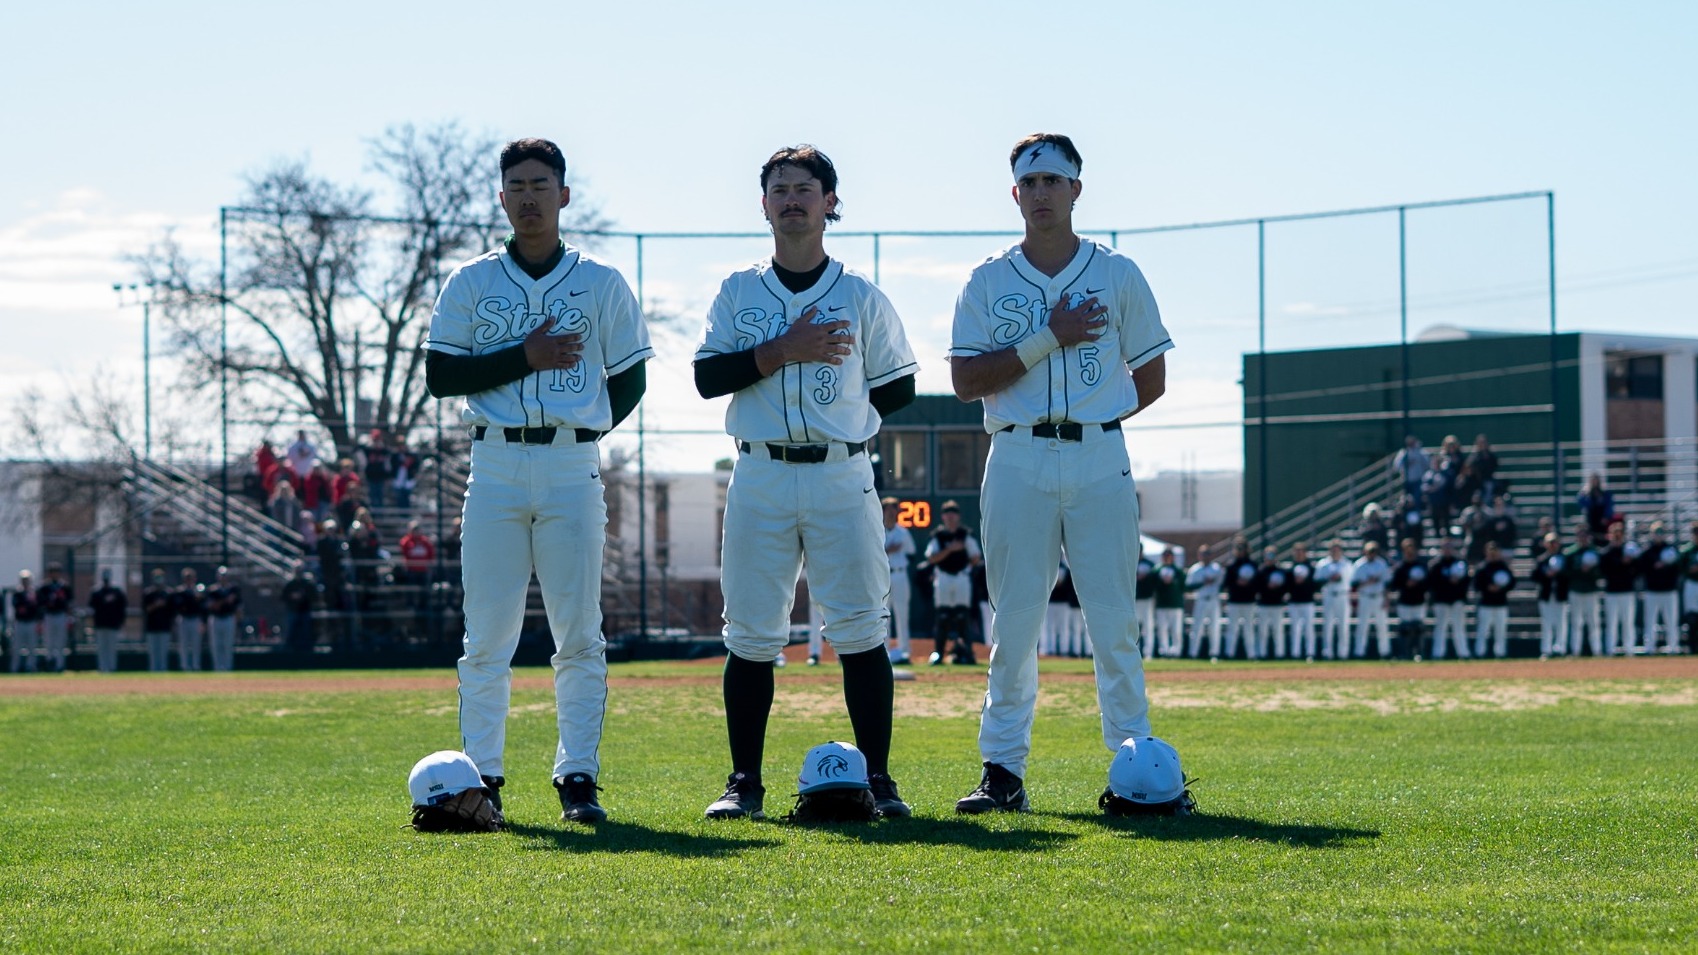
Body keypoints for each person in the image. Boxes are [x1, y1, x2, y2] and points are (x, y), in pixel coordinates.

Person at [424, 137, 653, 825]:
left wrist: (582, 430)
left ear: (564, 195)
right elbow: (441, 376)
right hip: (494, 464)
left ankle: (577, 776)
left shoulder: (601, 281)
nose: (529, 196)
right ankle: (482, 779)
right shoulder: (470, 280)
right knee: (485, 639)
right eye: (517, 186)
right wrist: (525, 356)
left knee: (578, 632)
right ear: (502, 198)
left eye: (541, 184)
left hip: (570, 465)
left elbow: (631, 378)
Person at [947, 133, 1172, 814]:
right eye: (1030, 182)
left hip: (1099, 453)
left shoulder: (1117, 273)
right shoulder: (988, 279)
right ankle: (1002, 770)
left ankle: (1137, 768)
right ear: (1014, 194)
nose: (1041, 192)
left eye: (1053, 180)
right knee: (1014, 623)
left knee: (1114, 620)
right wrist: (1050, 336)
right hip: (1017, 453)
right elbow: (966, 381)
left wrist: (1094, 418)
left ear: (1077, 189)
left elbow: (1153, 375)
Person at [692, 144, 916, 822]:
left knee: (860, 628)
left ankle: (878, 779)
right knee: (751, 633)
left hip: (841, 473)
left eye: (805, 188)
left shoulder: (860, 295)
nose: (792, 199)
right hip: (759, 470)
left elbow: (898, 387)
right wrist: (783, 351)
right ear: (763, 205)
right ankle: (744, 782)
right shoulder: (738, 290)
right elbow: (707, 377)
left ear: (830, 203)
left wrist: (842, 421)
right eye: (780, 189)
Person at [924, 502, 982, 666]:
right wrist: (950, 549)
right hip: (943, 577)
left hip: (961, 576)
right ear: (943, 517)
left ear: (958, 516)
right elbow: (931, 557)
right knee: (943, 616)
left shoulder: (965, 534)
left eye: (953, 513)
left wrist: (965, 558)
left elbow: (976, 557)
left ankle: (967, 652)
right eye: (947, 513)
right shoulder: (938, 535)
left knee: (962, 615)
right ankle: (938, 653)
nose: (950, 517)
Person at [879, 498, 917, 665]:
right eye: (887, 509)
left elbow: (912, 552)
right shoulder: (878, 530)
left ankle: (904, 652)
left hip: (900, 573)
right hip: (883, 576)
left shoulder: (903, 532)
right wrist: (889, 550)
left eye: (893, 509)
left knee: (902, 614)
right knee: (883, 616)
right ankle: (883, 652)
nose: (890, 512)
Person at [1637, 522, 1682, 654]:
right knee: (1650, 620)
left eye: (1661, 533)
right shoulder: (1647, 552)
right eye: (1656, 533)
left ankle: (1673, 647)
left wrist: (1666, 565)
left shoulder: (1671, 550)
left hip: (1669, 590)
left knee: (1671, 620)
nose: (1659, 535)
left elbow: (1678, 569)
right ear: (1652, 534)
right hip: (1652, 590)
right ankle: (1649, 647)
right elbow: (1641, 569)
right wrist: (1654, 566)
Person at [1598, 522, 1640, 655]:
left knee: (1628, 622)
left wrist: (1630, 562)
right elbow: (1604, 570)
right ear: (1610, 535)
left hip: (1627, 590)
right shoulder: (1606, 552)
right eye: (1615, 534)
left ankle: (1629, 649)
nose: (1617, 537)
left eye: (1619, 534)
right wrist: (1621, 562)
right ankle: (1610, 649)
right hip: (1612, 591)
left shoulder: (1629, 550)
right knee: (1611, 622)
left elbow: (1637, 571)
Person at [1563, 523, 1604, 656]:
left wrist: (1591, 571)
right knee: (1576, 622)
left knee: (1594, 622)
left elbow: (1601, 572)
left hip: (1591, 591)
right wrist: (1580, 570)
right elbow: (1566, 573)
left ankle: (1597, 650)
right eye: (1580, 535)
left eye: (1585, 535)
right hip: (1576, 590)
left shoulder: (1595, 551)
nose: (1583, 538)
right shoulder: (1570, 553)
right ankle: (1575, 651)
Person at [1428, 537, 1471, 660]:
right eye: (1445, 547)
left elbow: (1466, 581)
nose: (1447, 550)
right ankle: (1438, 654)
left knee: (1459, 627)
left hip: (1457, 600)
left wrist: (1458, 584)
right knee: (1440, 628)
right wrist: (1448, 581)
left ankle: (1463, 653)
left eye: (1449, 547)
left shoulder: (1460, 563)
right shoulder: (1436, 565)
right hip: (1441, 601)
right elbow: (1433, 583)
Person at [1388, 538, 1430, 660]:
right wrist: (1406, 584)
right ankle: (1404, 654)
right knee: (1404, 629)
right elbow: (1394, 585)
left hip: (1419, 600)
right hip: (1404, 601)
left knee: (1419, 628)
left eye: (1411, 549)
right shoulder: (1400, 567)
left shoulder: (1421, 566)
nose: (1409, 553)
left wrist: (1417, 584)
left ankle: (1419, 653)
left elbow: (1428, 584)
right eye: (1407, 550)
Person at [1472, 541, 1516, 658]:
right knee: (1483, 629)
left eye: (1495, 551)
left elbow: (1512, 583)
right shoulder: (1482, 567)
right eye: (1490, 551)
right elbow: (1476, 585)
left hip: (1500, 603)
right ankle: (1480, 653)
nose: (1493, 554)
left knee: (1500, 630)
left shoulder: (1504, 567)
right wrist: (1488, 587)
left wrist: (1501, 588)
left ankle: (1500, 653)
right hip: (1485, 603)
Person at [1530, 532, 1569, 659]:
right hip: (1546, 595)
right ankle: (1546, 649)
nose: (1552, 545)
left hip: (1560, 595)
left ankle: (1560, 648)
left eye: (1554, 542)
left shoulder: (1564, 559)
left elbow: (1569, 576)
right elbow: (1534, 576)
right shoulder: (1542, 560)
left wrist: (1559, 573)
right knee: (1547, 623)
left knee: (1561, 622)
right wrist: (1546, 574)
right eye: (1550, 543)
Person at [1350, 541, 1392, 659]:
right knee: (1362, 626)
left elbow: (1387, 583)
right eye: (1369, 551)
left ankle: (1385, 652)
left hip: (1378, 596)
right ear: (1365, 552)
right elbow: (1353, 584)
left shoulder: (1381, 564)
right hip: (1365, 597)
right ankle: (1359, 652)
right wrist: (1368, 582)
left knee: (1382, 626)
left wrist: (1387, 599)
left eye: (1374, 551)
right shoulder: (1359, 564)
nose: (1372, 554)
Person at [1184, 544, 1224, 659]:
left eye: (1207, 554)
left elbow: (1222, 584)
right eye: (1203, 554)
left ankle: (1214, 653)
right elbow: (1189, 586)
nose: (1205, 556)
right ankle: (1193, 653)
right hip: (1201, 599)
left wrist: (1212, 581)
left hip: (1213, 600)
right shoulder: (1195, 569)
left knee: (1214, 627)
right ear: (1199, 555)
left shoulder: (1216, 568)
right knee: (1197, 627)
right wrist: (1203, 583)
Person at [1315, 540, 1352, 660]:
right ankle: (1327, 652)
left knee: (1343, 625)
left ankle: (1343, 653)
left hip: (1342, 595)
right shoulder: (1323, 564)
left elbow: (1351, 581)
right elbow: (1317, 581)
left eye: (1337, 550)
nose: (1335, 552)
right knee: (1328, 625)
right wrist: (1329, 578)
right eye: (1333, 550)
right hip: (1329, 595)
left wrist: (1339, 577)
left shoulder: (1347, 564)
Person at [1222, 537, 1258, 660]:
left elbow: (1258, 583)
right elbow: (1226, 584)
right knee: (1232, 629)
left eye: (1242, 548)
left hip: (1249, 601)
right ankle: (1229, 654)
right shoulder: (1231, 566)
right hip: (1234, 601)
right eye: (1238, 548)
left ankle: (1251, 655)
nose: (1240, 551)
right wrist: (1236, 583)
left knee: (1249, 629)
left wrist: (1248, 583)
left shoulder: (1253, 564)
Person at [1250, 546, 1287, 660]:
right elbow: (1255, 587)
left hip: (1277, 604)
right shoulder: (1261, 571)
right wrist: (1267, 586)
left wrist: (1277, 588)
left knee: (1278, 631)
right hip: (1263, 604)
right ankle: (1261, 654)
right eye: (1267, 555)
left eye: (1272, 555)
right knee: (1262, 631)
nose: (1269, 558)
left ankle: (1279, 654)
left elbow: (1285, 588)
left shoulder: (1280, 571)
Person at [88, 569, 127, 673]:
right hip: (100, 624)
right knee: (101, 648)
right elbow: (92, 606)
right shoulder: (97, 592)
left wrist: (121, 621)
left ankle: (112, 667)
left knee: (112, 648)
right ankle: (102, 667)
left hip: (113, 624)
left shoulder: (117, 591)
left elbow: (122, 607)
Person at [36, 563, 73, 673]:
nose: (55, 574)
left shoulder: (65, 586)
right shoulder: (45, 587)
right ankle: (49, 663)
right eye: (53, 572)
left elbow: (69, 603)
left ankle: (60, 665)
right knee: (49, 641)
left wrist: (69, 617)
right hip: (49, 615)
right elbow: (40, 602)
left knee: (60, 642)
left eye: (56, 572)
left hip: (61, 615)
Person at [205, 567, 242, 672]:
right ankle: (217, 667)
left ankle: (228, 667)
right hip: (216, 618)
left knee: (228, 644)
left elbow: (238, 607)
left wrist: (238, 619)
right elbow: (211, 606)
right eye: (221, 576)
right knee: (216, 645)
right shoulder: (213, 590)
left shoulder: (233, 589)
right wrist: (225, 600)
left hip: (229, 618)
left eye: (225, 576)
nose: (223, 578)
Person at [1152, 548, 1186, 657]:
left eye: (1169, 555)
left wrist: (1172, 582)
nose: (1167, 558)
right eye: (1165, 556)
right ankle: (1164, 650)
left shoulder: (1178, 571)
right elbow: (1153, 585)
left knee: (1176, 630)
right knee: (1162, 629)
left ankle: (1176, 651)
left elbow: (1183, 586)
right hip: (1162, 604)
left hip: (1175, 604)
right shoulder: (1157, 570)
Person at [141, 569, 175, 672]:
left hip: (165, 626)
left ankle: (163, 670)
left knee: (163, 651)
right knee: (153, 651)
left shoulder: (168, 593)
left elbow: (172, 611)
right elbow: (145, 609)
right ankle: (153, 670)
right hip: (152, 626)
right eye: (156, 577)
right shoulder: (148, 593)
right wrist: (156, 605)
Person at [281, 562, 318, 656]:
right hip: (293, 611)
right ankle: (289, 650)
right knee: (291, 631)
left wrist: (304, 596)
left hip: (305, 611)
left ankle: (307, 650)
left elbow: (314, 597)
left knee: (306, 632)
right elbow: (283, 597)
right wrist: (292, 597)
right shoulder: (290, 585)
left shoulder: (307, 584)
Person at [173, 568, 206, 671]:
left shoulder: (198, 590)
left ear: (194, 578)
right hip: (183, 619)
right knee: (183, 644)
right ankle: (185, 666)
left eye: (190, 577)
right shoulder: (180, 591)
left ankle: (196, 665)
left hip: (195, 619)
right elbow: (178, 605)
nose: (189, 580)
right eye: (187, 578)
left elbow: (203, 607)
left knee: (196, 644)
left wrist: (203, 622)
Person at [9, 571, 41, 673]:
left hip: (31, 622)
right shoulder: (18, 592)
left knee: (32, 646)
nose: (25, 581)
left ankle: (31, 666)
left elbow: (36, 607)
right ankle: (15, 667)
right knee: (17, 646)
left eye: (27, 580)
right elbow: (17, 606)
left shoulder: (34, 592)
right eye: (23, 580)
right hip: (20, 622)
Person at [1134, 546, 1158, 660]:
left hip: (1147, 599)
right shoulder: (1130, 562)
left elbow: (1155, 580)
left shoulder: (1149, 564)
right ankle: (1135, 651)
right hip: (1134, 599)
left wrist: (1146, 577)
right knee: (1134, 628)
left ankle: (1148, 652)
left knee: (1148, 626)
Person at [1466, 434, 1500, 504]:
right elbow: (1468, 466)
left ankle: (1486, 505)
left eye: (1483, 443)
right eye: (1480, 443)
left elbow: (1495, 465)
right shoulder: (1474, 455)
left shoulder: (1490, 455)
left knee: (1489, 486)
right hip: (1475, 481)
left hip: (1487, 480)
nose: (1482, 445)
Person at [1681, 521, 1698, 653]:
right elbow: (1680, 567)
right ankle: (1692, 647)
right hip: (1691, 583)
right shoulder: (1687, 550)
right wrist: (1689, 570)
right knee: (1692, 617)